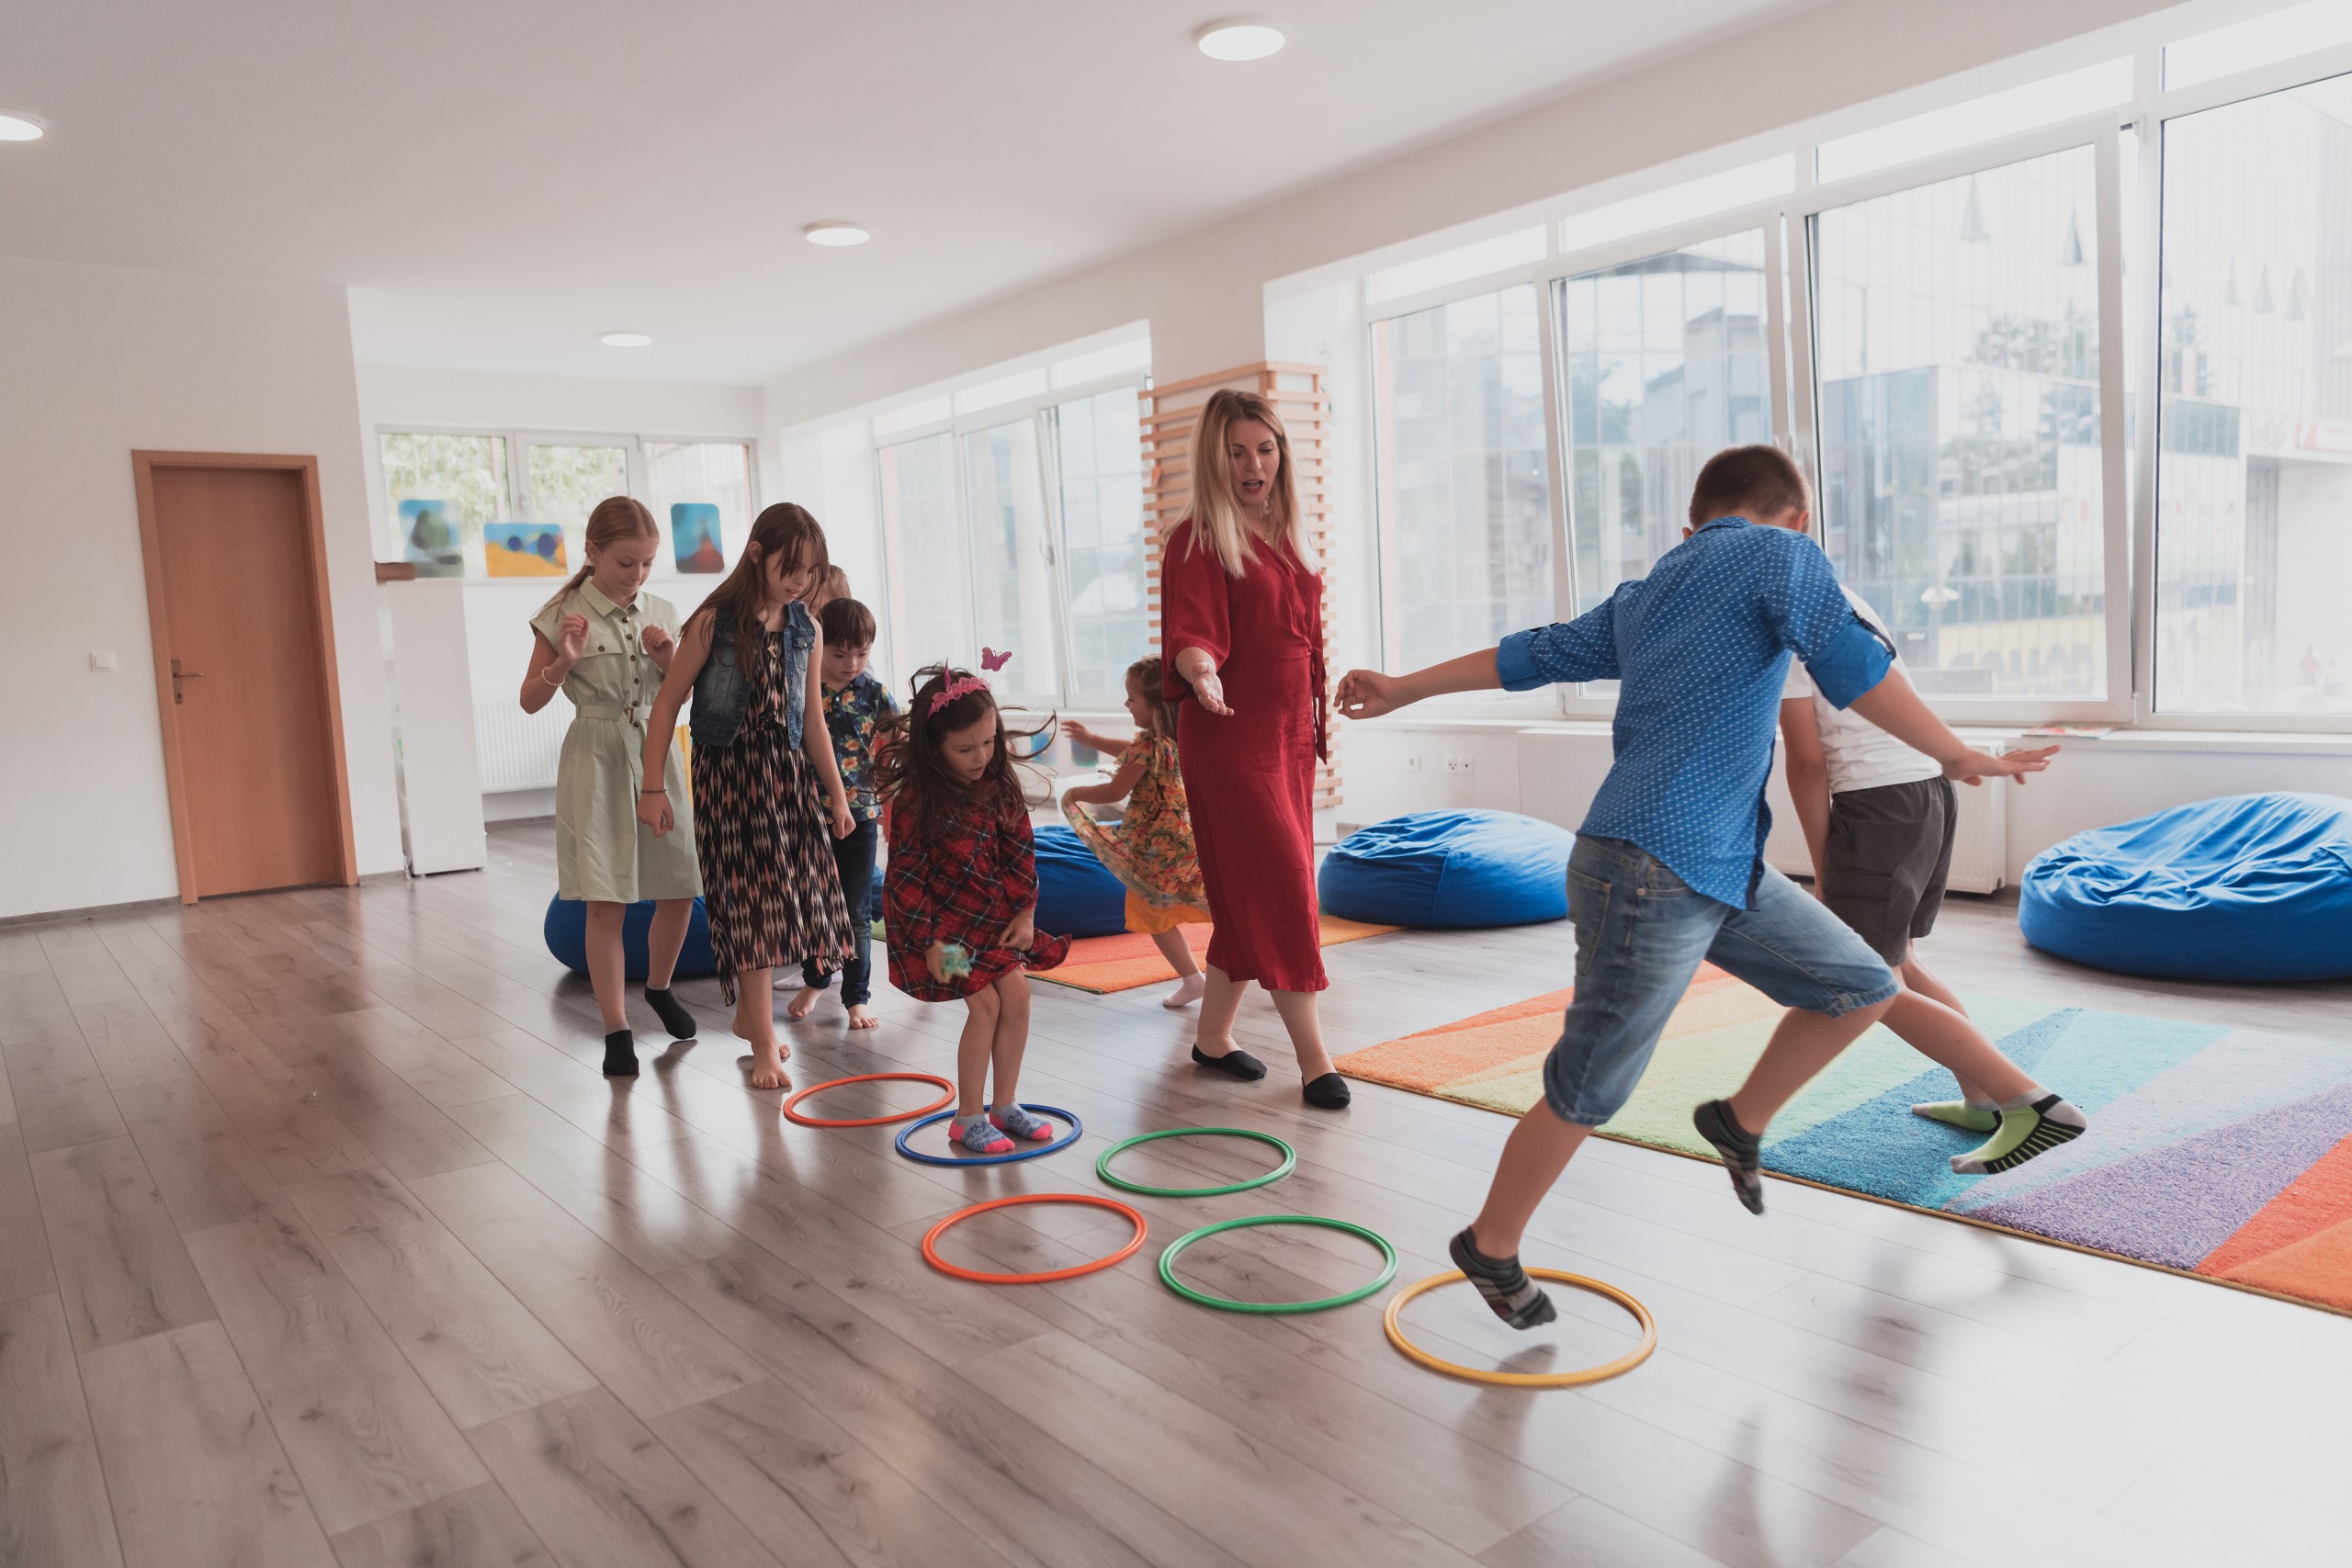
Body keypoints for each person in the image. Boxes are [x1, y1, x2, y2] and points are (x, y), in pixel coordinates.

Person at [1336, 446, 2086, 1329]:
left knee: (1863, 984)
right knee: (1592, 1087)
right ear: (1795, 516)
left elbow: (1527, 656)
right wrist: (1956, 753)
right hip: (1651, 867)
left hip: (1719, 862)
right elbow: (1855, 666)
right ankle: (1489, 1243)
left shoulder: (1652, 588)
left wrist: (1401, 687)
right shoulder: (1780, 555)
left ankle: (1738, 1119)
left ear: (1690, 524)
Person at [1781, 581, 2040, 1158]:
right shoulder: (1842, 598)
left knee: (1868, 982)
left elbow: (1805, 760)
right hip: (1925, 791)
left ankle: (2024, 1102)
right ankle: (1983, 1102)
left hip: (1878, 806)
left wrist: (1822, 867)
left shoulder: (1786, 620)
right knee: (1900, 965)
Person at [1160, 388, 1349, 1109]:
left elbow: (1298, 629)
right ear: (1215, 458)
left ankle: (1212, 1040)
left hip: (1286, 736)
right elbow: (1191, 633)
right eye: (1237, 451)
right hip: (1229, 733)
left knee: (1250, 894)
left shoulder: (1286, 526)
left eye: (1265, 448)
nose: (1253, 464)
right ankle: (1315, 1060)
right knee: (1283, 884)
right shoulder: (1199, 539)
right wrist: (1202, 671)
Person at [637, 503, 856, 1090]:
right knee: (750, 906)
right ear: (756, 553)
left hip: (786, 779)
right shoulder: (714, 621)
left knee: (799, 898)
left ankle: (747, 1015)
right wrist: (653, 786)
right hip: (729, 779)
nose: (800, 581)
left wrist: (836, 795)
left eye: (810, 572)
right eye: (791, 567)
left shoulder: (805, 627)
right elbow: (667, 702)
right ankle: (762, 1038)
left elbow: (812, 719)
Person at [521, 496, 701, 1078]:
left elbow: (680, 693)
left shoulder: (664, 611)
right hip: (594, 757)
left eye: (647, 563)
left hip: (658, 755)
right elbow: (529, 700)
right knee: (608, 899)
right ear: (593, 552)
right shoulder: (562, 613)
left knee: (678, 886)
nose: (638, 575)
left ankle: (660, 987)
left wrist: (671, 656)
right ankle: (616, 1028)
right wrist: (563, 661)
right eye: (627, 562)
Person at [875, 665, 1071, 1154]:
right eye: (965, 749)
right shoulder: (918, 799)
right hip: (940, 931)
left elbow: (1021, 852)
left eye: (987, 742)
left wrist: (1025, 913)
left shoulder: (999, 786)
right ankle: (967, 1117)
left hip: (990, 919)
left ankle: (1003, 1107)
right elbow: (905, 877)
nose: (980, 756)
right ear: (934, 746)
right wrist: (932, 942)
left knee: (1019, 996)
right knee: (984, 1004)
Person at [1061, 655, 1212, 1010]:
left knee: (1151, 914)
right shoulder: (1176, 738)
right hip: (1189, 842)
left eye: (1132, 699)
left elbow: (1115, 791)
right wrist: (1091, 738)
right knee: (1210, 905)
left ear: (1155, 706)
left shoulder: (1149, 746)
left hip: (1158, 850)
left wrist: (1075, 794)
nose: (1127, 705)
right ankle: (1252, 964)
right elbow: (1132, 753)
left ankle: (1193, 979)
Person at [790, 596, 896, 1031]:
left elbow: (901, 743)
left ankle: (856, 996)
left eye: (862, 653)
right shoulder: (800, 688)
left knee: (855, 909)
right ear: (819, 647)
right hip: (804, 814)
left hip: (860, 815)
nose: (852, 663)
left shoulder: (874, 694)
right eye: (839, 654)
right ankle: (816, 980)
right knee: (813, 905)